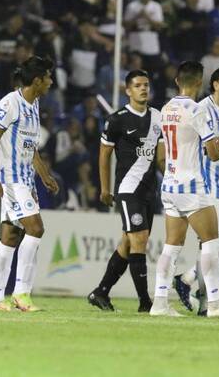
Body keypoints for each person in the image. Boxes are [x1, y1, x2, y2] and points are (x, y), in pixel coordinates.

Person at [149, 61, 219, 318]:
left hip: (169, 183)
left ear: (177, 81)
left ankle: (159, 302)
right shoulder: (197, 110)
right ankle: (214, 304)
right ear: (200, 83)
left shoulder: (167, 108)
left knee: (171, 246)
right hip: (191, 185)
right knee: (211, 244)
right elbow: (212, 153)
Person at [0, 56, 59, 311]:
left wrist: (45, 174)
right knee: (36, 228)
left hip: (26, 178)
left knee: (10, 236)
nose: (51, 81)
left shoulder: (34, 103)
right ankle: (22, 294)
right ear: (37, 80)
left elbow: (30, 147)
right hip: (11, 179)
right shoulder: (10, 103)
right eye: (48, 77)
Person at [87, 70, 164, 313]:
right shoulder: (116, 119)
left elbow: (161, 157)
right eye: (138, 85)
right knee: (139, 240)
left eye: (146, 85)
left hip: (150, 189)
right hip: (127, 189)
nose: (144, 89)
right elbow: (103, 156)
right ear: (128, 91)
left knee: (128, 243)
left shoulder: (158, 118)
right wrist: (105, 188)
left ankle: (100, 292)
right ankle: (145, 302)